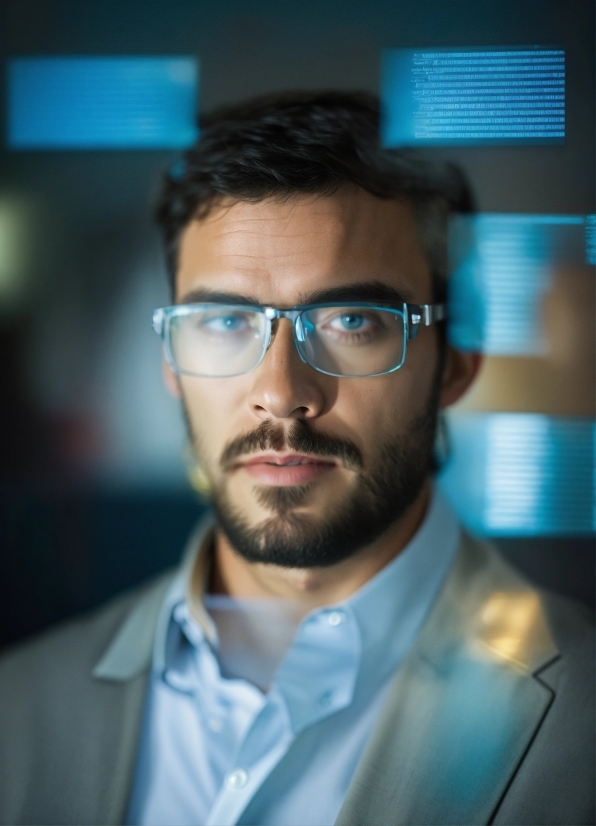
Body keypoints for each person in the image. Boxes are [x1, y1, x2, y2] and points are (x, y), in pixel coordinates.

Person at [0, 91, 593, 826]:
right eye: (225, 321)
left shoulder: (584, 717)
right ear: (171, 363)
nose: (281, 394)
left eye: (351, 321)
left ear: (455, 360)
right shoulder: (18, 706)